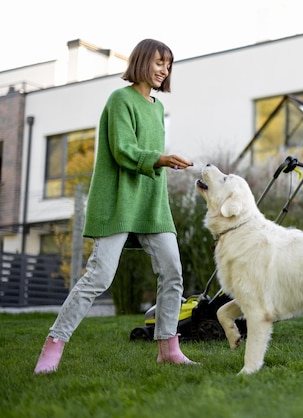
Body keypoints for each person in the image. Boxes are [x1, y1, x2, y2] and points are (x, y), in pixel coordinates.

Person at [34, 39, 198, 374]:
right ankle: (53, 345)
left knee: (173, 272)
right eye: (158, 62)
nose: (164, 69)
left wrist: (162, 162)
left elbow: (148, 156)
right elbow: (124, 150)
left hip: (152, 204)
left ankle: (168, 347)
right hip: (119, 202)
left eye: (168, 64)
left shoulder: (156, 108)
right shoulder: (119, 100)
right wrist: (162, 159)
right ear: (141, 62)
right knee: (99, 277)